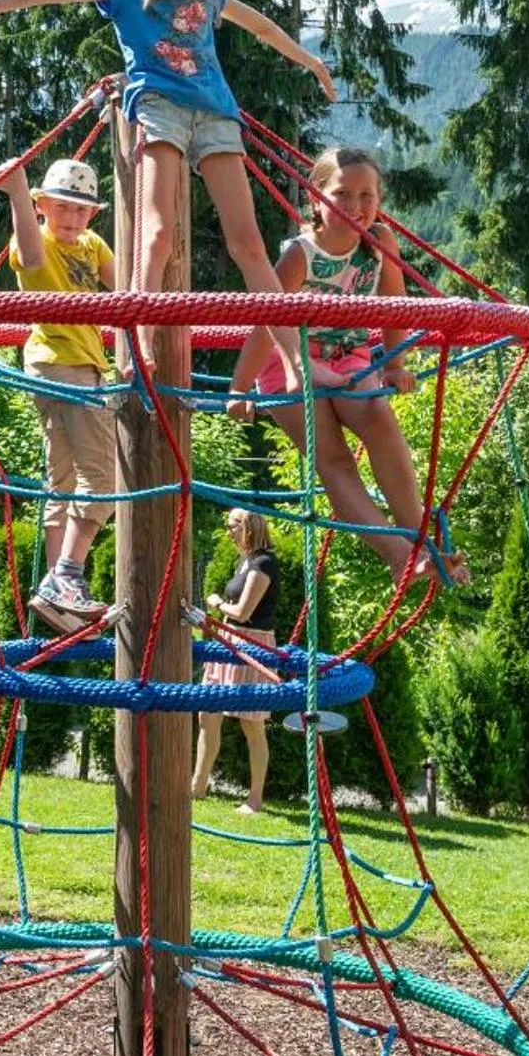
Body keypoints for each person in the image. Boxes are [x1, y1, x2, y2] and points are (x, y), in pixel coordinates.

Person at [0, 0, 337, 375]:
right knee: (157, 233)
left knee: (249, 243)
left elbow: (264, 28)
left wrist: (310, 62)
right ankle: (139, 342)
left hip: (216, 113)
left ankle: (294, 360)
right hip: (159, 108)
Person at [236, 147, 466, 587]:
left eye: (367, 195)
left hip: (350, 360)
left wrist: (394, 364)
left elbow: (394, 306)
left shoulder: (379, 244)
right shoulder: (300, 254)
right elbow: (267, 320)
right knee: (334, 460)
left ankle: (419, 540)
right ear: (315, 198)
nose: (355, 206)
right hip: (290, 365)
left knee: (380, 419)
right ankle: (398, 555)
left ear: (379, 200)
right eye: (342, 194)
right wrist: (239, 387)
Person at [0, 155, 117, 635]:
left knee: (61, 476)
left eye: (81, 210)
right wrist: (18, 194)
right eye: (61, 206)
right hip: (61, 363)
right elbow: (31, 258)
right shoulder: (36, 239)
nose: (71, 217)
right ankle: (67, 572)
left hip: (79, 364)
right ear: (42, 206)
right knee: (103, 475)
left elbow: (129, 289)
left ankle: (56, 591)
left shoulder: (92, 244)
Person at [193, 509, 284, 814]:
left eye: (231, 526)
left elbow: (243, 613)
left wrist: (217, 603)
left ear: (247, 527)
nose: (227, 531)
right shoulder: (243, 562)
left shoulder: (263, 563)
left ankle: (255, 799)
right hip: (228, 643)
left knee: (252, 723)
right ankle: (197, 786)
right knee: (208, 714)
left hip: (253, 645)